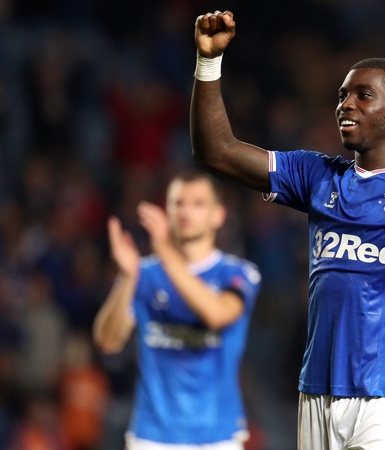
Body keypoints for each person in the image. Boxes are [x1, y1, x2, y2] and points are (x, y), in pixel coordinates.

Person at [190, 10, 385, 450]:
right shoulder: (317, 174)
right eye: (342, 95)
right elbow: (215, 150)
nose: (345, 104)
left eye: (363, 95)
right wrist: (208, 63)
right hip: (317, 388)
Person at [92, 169, 262, 449]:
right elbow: (107, 342)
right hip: (152, 435)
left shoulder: (238, 273)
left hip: (218, 436)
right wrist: (128, 278)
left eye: (197, 204)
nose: (186, 211)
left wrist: (163, 250)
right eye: (178, 203)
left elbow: (217, 314)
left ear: (218, 215)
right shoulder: (144, 274)